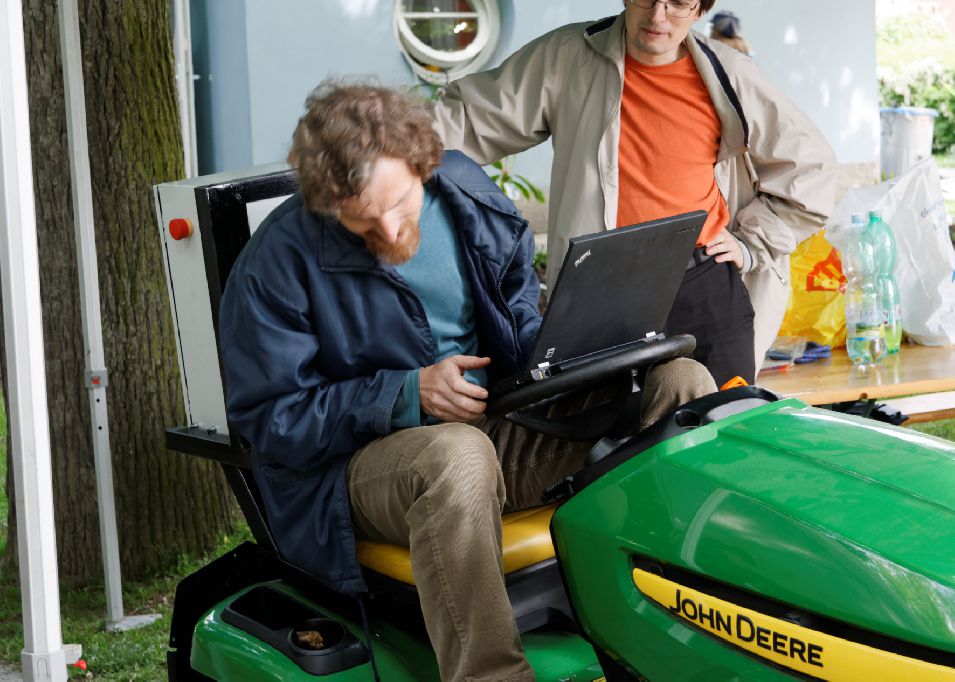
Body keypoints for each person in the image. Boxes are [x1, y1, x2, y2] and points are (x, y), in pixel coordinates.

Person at [218, 81, 717, 681]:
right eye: (361, 220)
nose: (388, 230)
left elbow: (517, 320)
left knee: (681, 382)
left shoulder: (468, 194)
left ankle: (689, 629)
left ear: (421, 163)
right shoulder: (276, 264)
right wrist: (405, 394)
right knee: (457, 455)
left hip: (498, 422)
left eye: (398, 204)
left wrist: (578, 344)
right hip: (359, 470)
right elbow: (271, 419)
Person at [432, 0, 837, 387]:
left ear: (700, 9)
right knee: (607, 431)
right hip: (601, 291)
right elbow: (466, 118)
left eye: (678, 3)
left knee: (721, 425)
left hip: (702, 284)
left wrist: (752, 242)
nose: (658, 16)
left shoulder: (728, 73)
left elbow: (811, 169)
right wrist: (398, 146)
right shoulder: (568, 57)